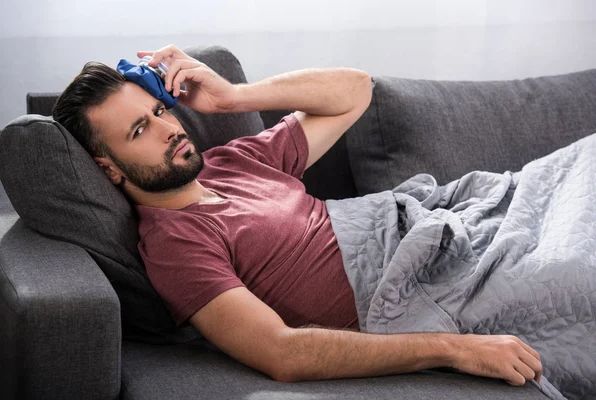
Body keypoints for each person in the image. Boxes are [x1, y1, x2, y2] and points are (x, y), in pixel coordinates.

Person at [52, 44, 542, 386]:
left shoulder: (232, 161)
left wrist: (233, 97)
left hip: (451, 222)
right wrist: (456, 349)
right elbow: (282, 352)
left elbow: (356, 92)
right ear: (109, 169)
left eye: (159, 112)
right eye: (139, 131)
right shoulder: (174, 245)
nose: (168, 130)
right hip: (424, 283)